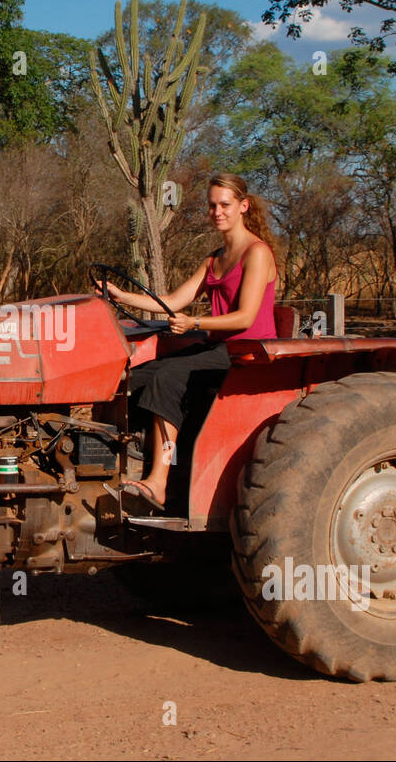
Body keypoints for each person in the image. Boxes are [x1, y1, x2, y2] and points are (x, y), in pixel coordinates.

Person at [95, 173, 278, 510]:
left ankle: (160, 482)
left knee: (169, 377)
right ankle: (124, 464)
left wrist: (195, 322)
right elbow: (174, 301)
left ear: (243, 206)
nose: (217, 212)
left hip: (248, 352)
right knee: (137, 376)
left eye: (225, 204)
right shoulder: (214, 259)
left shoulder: (257, 253)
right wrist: (122, 295)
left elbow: (246, 318)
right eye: (212, 205)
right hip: (218, 349)